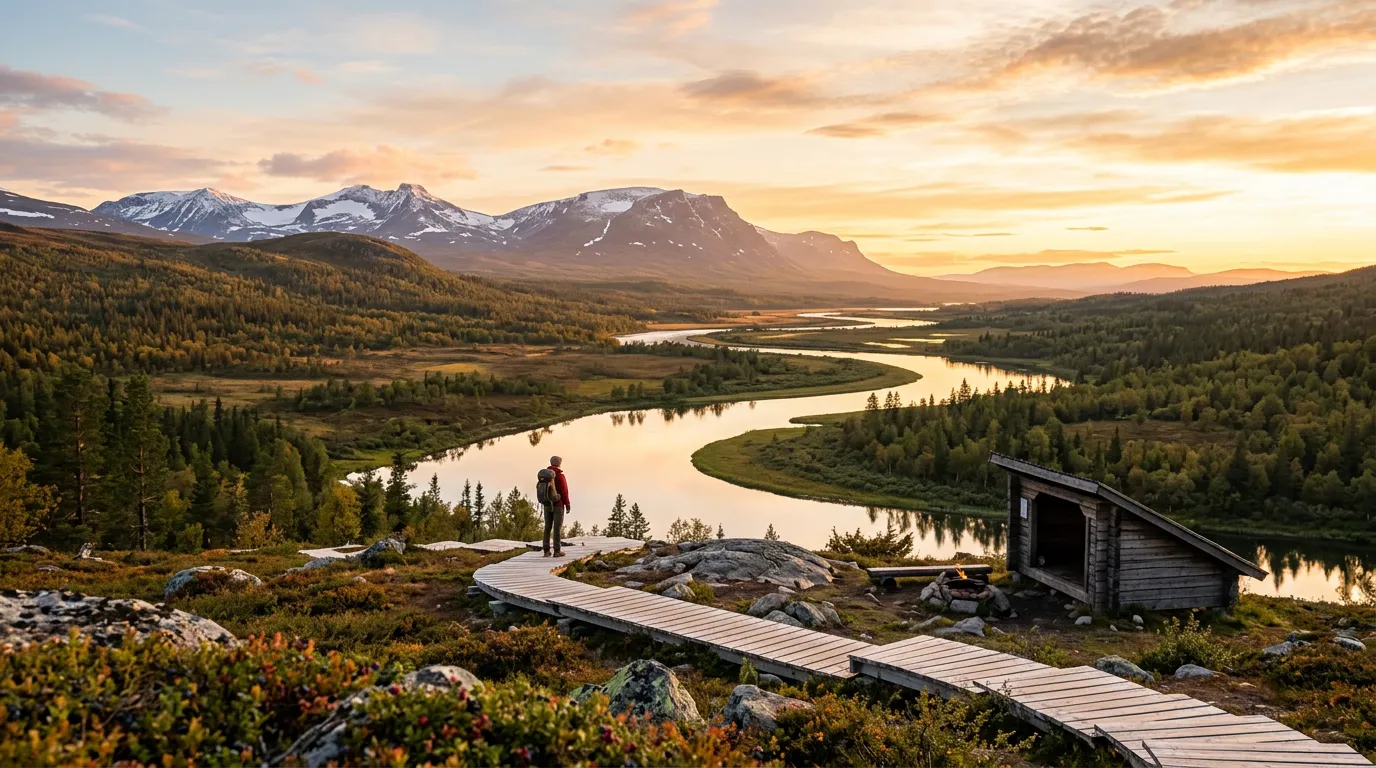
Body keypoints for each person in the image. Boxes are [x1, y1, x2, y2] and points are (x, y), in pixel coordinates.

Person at [543, 455, 571, 557]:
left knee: (547, 527)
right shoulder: (560, 476)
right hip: (558, 505)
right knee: (557, 528)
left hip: (546, 504)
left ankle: (546, 551)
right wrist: (567, 504)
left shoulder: (545, 476)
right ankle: (557, 551)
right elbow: (564, 492)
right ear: (559, 463)